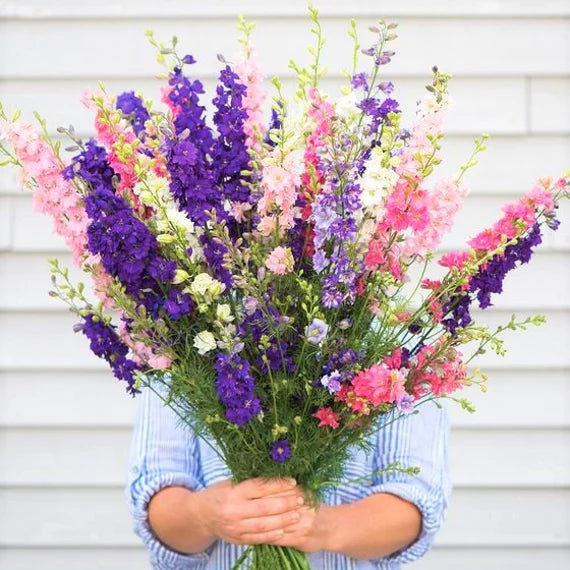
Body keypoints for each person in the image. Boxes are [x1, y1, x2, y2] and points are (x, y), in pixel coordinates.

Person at [127, 386, 451, 569]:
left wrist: (324, 526)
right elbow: (155, 498)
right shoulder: (175, 333)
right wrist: (207, 515)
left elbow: (416, 505)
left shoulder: (402, 342)